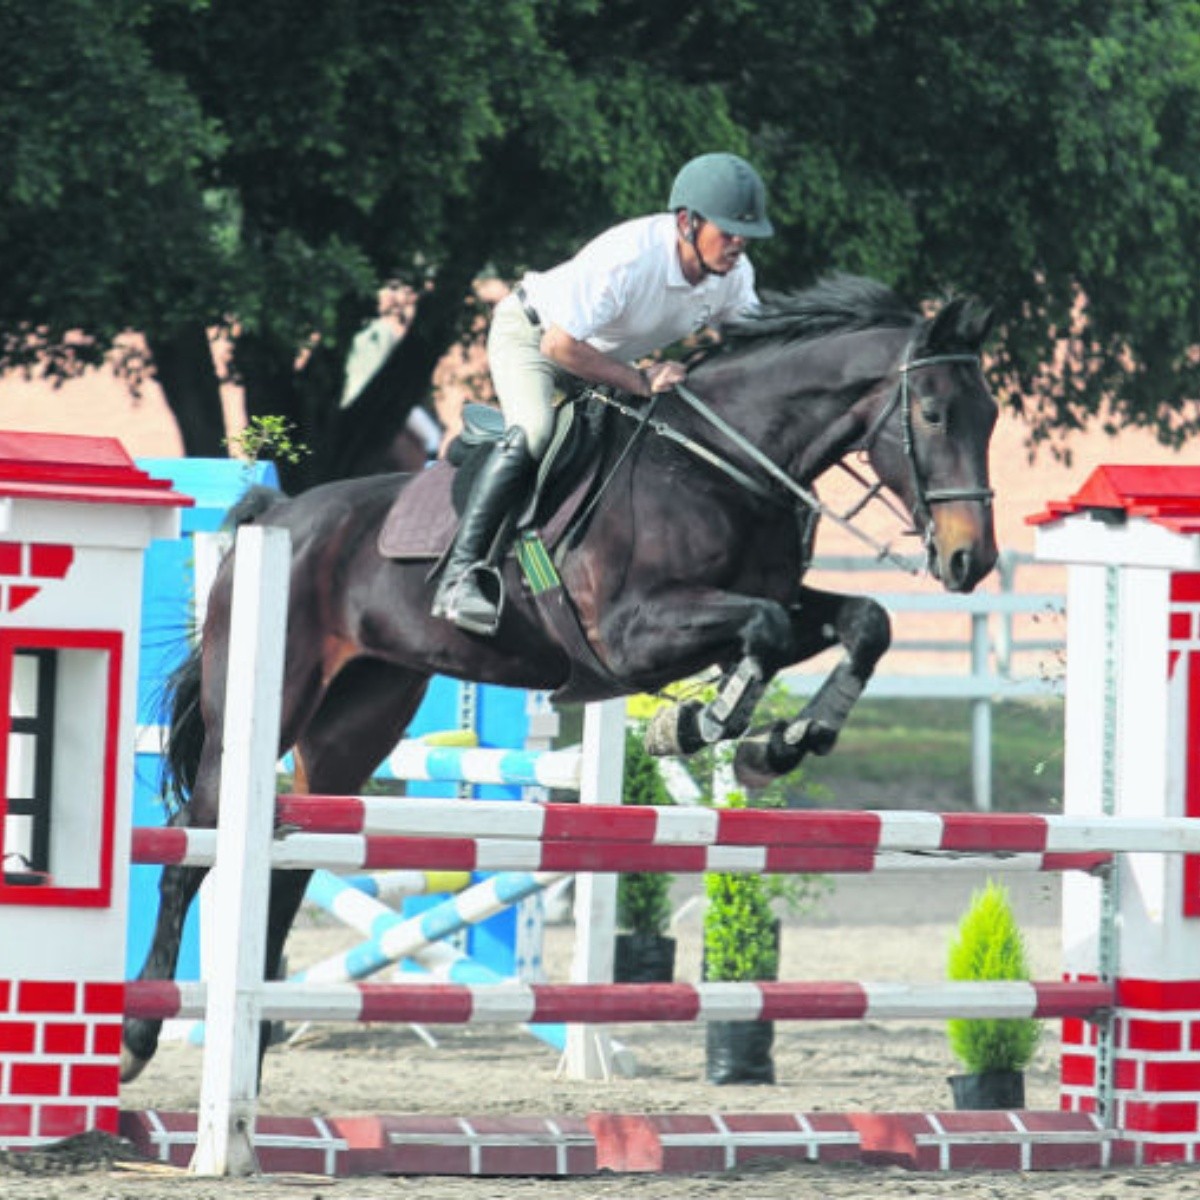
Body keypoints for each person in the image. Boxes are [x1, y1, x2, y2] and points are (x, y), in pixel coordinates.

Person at [431, 151, 774, 635]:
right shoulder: (631, 258)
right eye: (729, 230)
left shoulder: (734, 277)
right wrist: (638, 380)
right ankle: (460, 576)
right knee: (534, 431)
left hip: (600, 358)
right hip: (536, 337)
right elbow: (560, 345)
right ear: (686, 222)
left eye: (747, 233)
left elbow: (755, 348)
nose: (740, 243)